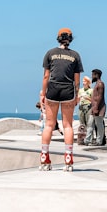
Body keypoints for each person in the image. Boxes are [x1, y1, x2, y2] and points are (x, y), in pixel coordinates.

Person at [39, 28, 83, 171]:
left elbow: (46, 76)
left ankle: (44, 157)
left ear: (58, 38)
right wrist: (77, 95)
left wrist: (42, 94)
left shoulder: (50, 53)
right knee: (68, 125)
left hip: (52, 89)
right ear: (70, 39)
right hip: (68, 91)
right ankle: (69, 157)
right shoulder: (75, 55)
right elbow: (77, 80)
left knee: (49, 125)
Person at [86, 69, 106, 146]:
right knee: (90, 124)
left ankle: (99, 141)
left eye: (93, 75)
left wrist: (96, 108)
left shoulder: (100, 84)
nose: (92, 76)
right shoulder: (96, 84)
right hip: (94, 107)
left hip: (99, 108)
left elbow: (100, 97)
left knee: (99, 124)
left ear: (96, 75)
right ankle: (87, 140)